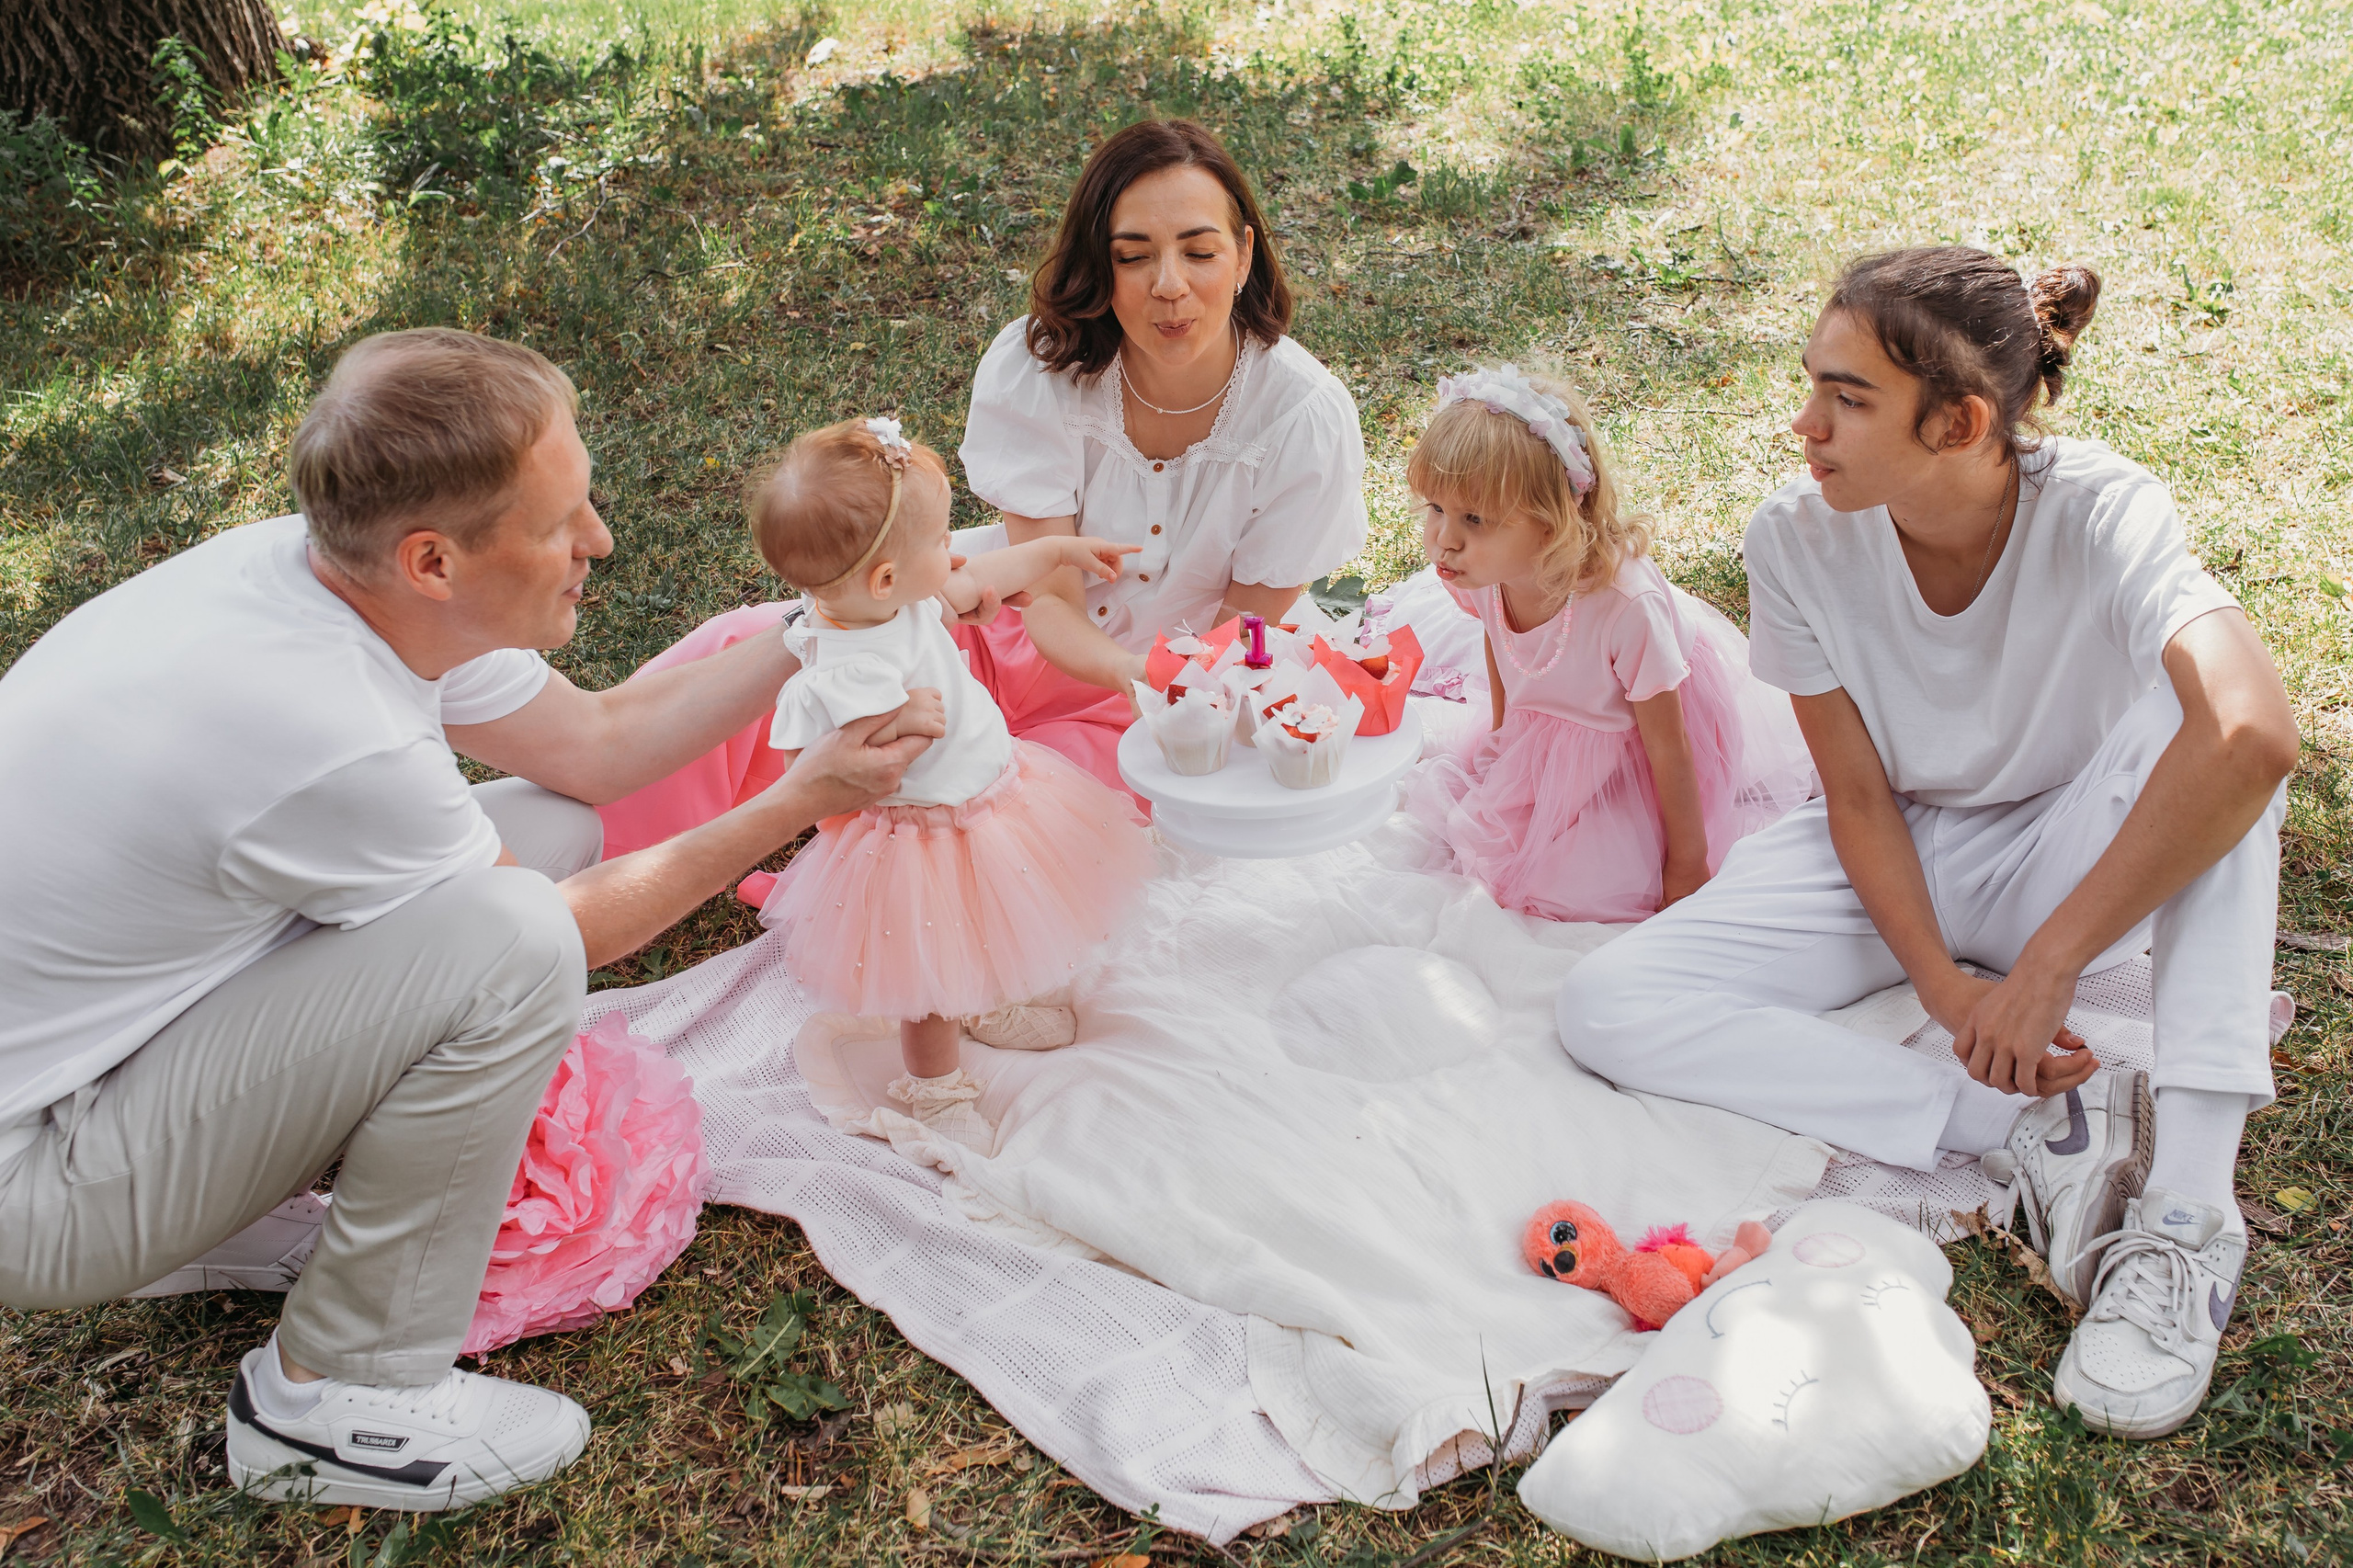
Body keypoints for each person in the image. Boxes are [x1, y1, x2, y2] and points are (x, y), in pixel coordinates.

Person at [0, 329, 942, 1510]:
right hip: (37, 1180)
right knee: (514, 939)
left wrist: (816, 628)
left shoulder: (331, 577)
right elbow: (558, 935)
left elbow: (595, 748)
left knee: (547, 826)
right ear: (435, 559)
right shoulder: (324, 724)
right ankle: (336, 1397)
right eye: (560, 521)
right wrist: (800, 797)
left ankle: (213, 1223)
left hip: (92, 1068)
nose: (599, 537)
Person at [1554, 247, 2298, 1438]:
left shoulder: (2103, 510)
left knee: (2222, 743)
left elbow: (2257, 731)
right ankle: (2010, 1127)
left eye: (1847, 399)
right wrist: (1952, 996)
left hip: (2069, 835)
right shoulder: (1792, 537)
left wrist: (2048, 966)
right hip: (1891, 844)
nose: (1805, 425)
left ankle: (2186, 1219)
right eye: (1811, 386)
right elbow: (1854, 796)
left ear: (1958, 423)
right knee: (1606, 1004)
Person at [594, 116, 1367, 849]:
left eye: (1199, 252)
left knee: (1025, 826)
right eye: (1133, 257)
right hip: (994, 624)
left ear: (1243, 254)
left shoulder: (1304, 417)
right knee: (750, 653)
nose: (1168, 285)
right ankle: (597, 850)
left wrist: (1150, 686)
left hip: (1164, 701)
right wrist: (1097, 662)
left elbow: (1241, 635)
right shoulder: (1043, 367)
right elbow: (1049, 598)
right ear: (1100, 266)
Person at [743, 417, 1155, 1142]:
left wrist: (1057, 551)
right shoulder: (846, 668)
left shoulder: (893, 602)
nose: (955, 550)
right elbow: (806, 771)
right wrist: (890, 720)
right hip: (919, 841)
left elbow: (979, 579)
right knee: (930, 975)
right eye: (941, 541)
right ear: (886, 578)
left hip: (989, 802)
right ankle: (935, 1090)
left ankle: (988, 1001)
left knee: (995, 921)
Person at [1399, 365, 1815, 922]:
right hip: (1558, 724)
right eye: (1436, 509)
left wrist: (1686, 864)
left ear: (1550, 524)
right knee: (1480, 831)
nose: (1445, 540)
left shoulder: (1624, 609)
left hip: (1634, 742)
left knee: (1571, 885)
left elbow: (1670, 747)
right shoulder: (1482, 574)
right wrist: (1502, 734)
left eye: (1474, 518)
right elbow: (1498, 647)